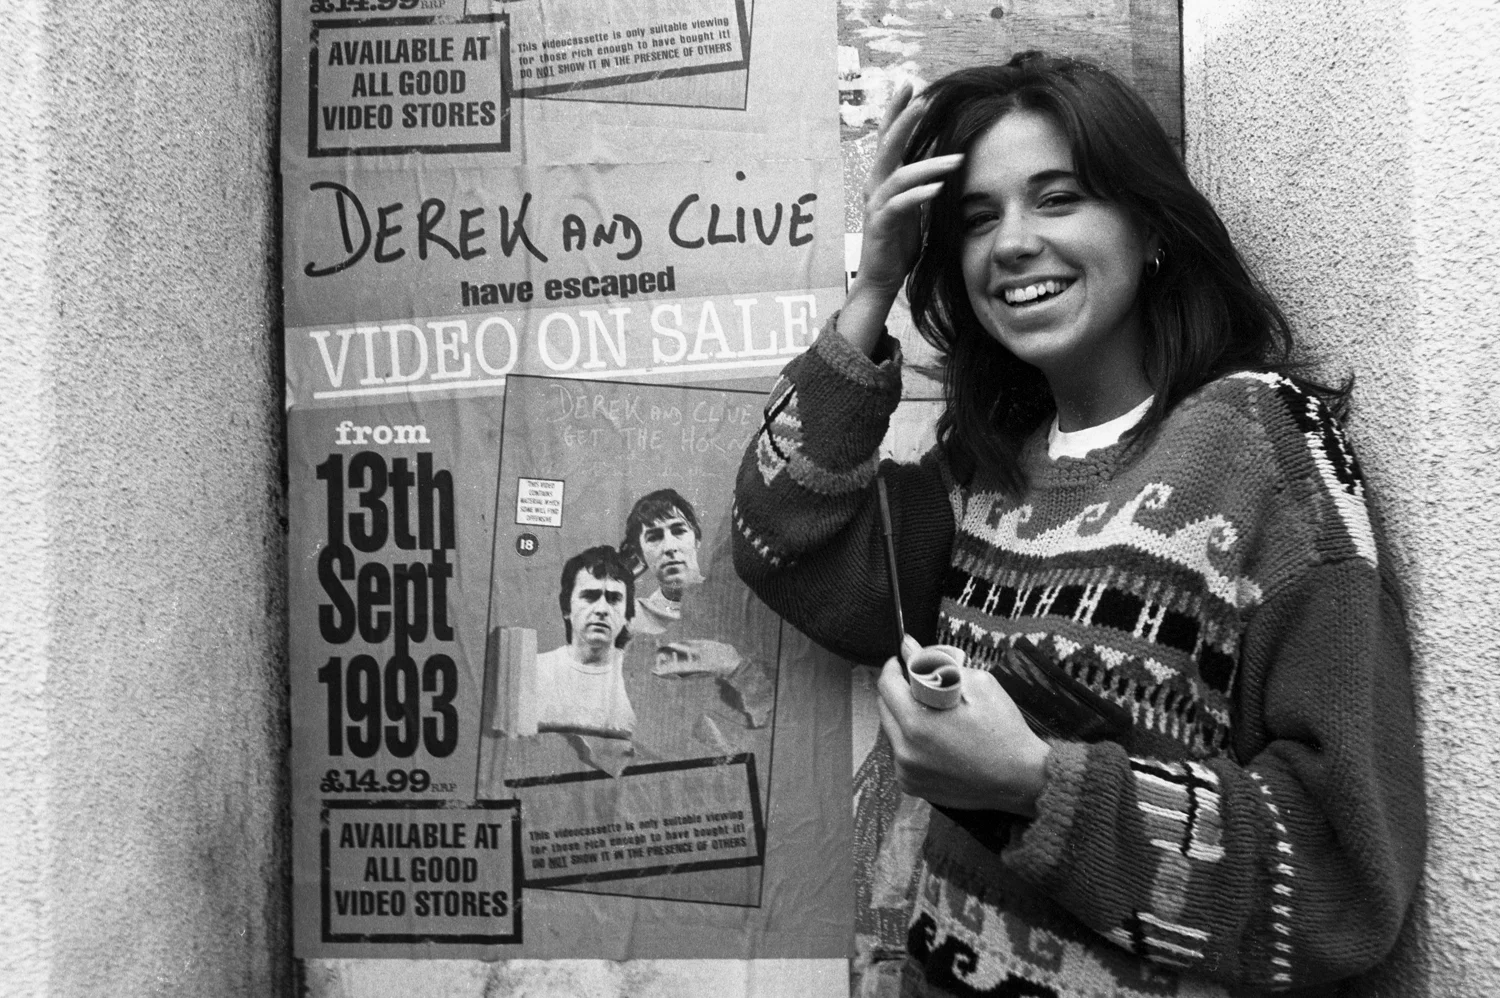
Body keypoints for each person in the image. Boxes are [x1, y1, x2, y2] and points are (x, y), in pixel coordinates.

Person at [734, 52, 1425, 997]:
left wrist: (1033, 781)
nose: (1012, 243)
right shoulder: (983, 471)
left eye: (1057, 199)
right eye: (978, 218)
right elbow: (780, 540)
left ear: (1150, 226)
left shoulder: (1266, 447)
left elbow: (1345, 876)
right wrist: (874, 286)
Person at [534, 545, 637, 739]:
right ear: (567, 607)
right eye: (590, 596)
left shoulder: (640, 677)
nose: (602, 609)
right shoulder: (535, 672)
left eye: (614, 599)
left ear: (627, 614)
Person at [619, 489, 705, 634]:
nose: (669, 547)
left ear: (697, 540)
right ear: (640, 555)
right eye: (654, 537)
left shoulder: (728, 599)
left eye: (679, 531)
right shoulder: (633, 618)